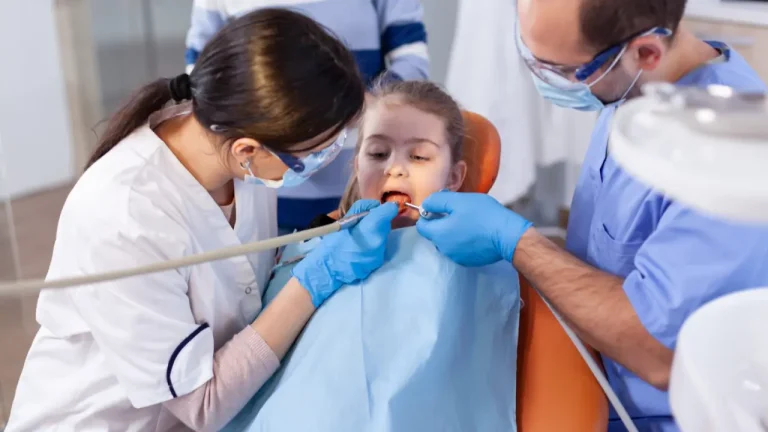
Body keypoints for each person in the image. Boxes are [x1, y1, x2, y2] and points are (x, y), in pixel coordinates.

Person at [7, 9, 399, 432]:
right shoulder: (125, 214)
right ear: (248, 150)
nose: (326, 160)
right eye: (317, 152)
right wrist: (310, 284)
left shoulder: (235, 159)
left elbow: (236, 279)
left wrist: (314, 242)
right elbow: (203, 405)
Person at [415, 0, 768, 430]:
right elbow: (608, 256)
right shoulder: (635, 95)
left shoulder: (723, 156)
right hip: (584, 373)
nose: (549, 83)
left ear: (645, 54)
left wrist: (518, 243)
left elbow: (657, 352)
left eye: (566, 73)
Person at [222, 79, 519, 432]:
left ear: (454, 177)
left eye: (419, 156)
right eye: (378, 154)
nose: (395, 168)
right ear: (357, 166)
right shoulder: (308, 249)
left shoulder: (476, 261)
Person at [185, 0, 430, 234]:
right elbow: (203, 81)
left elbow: (412, 58)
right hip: (265, 178)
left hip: (355, 174)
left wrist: (361, 105)